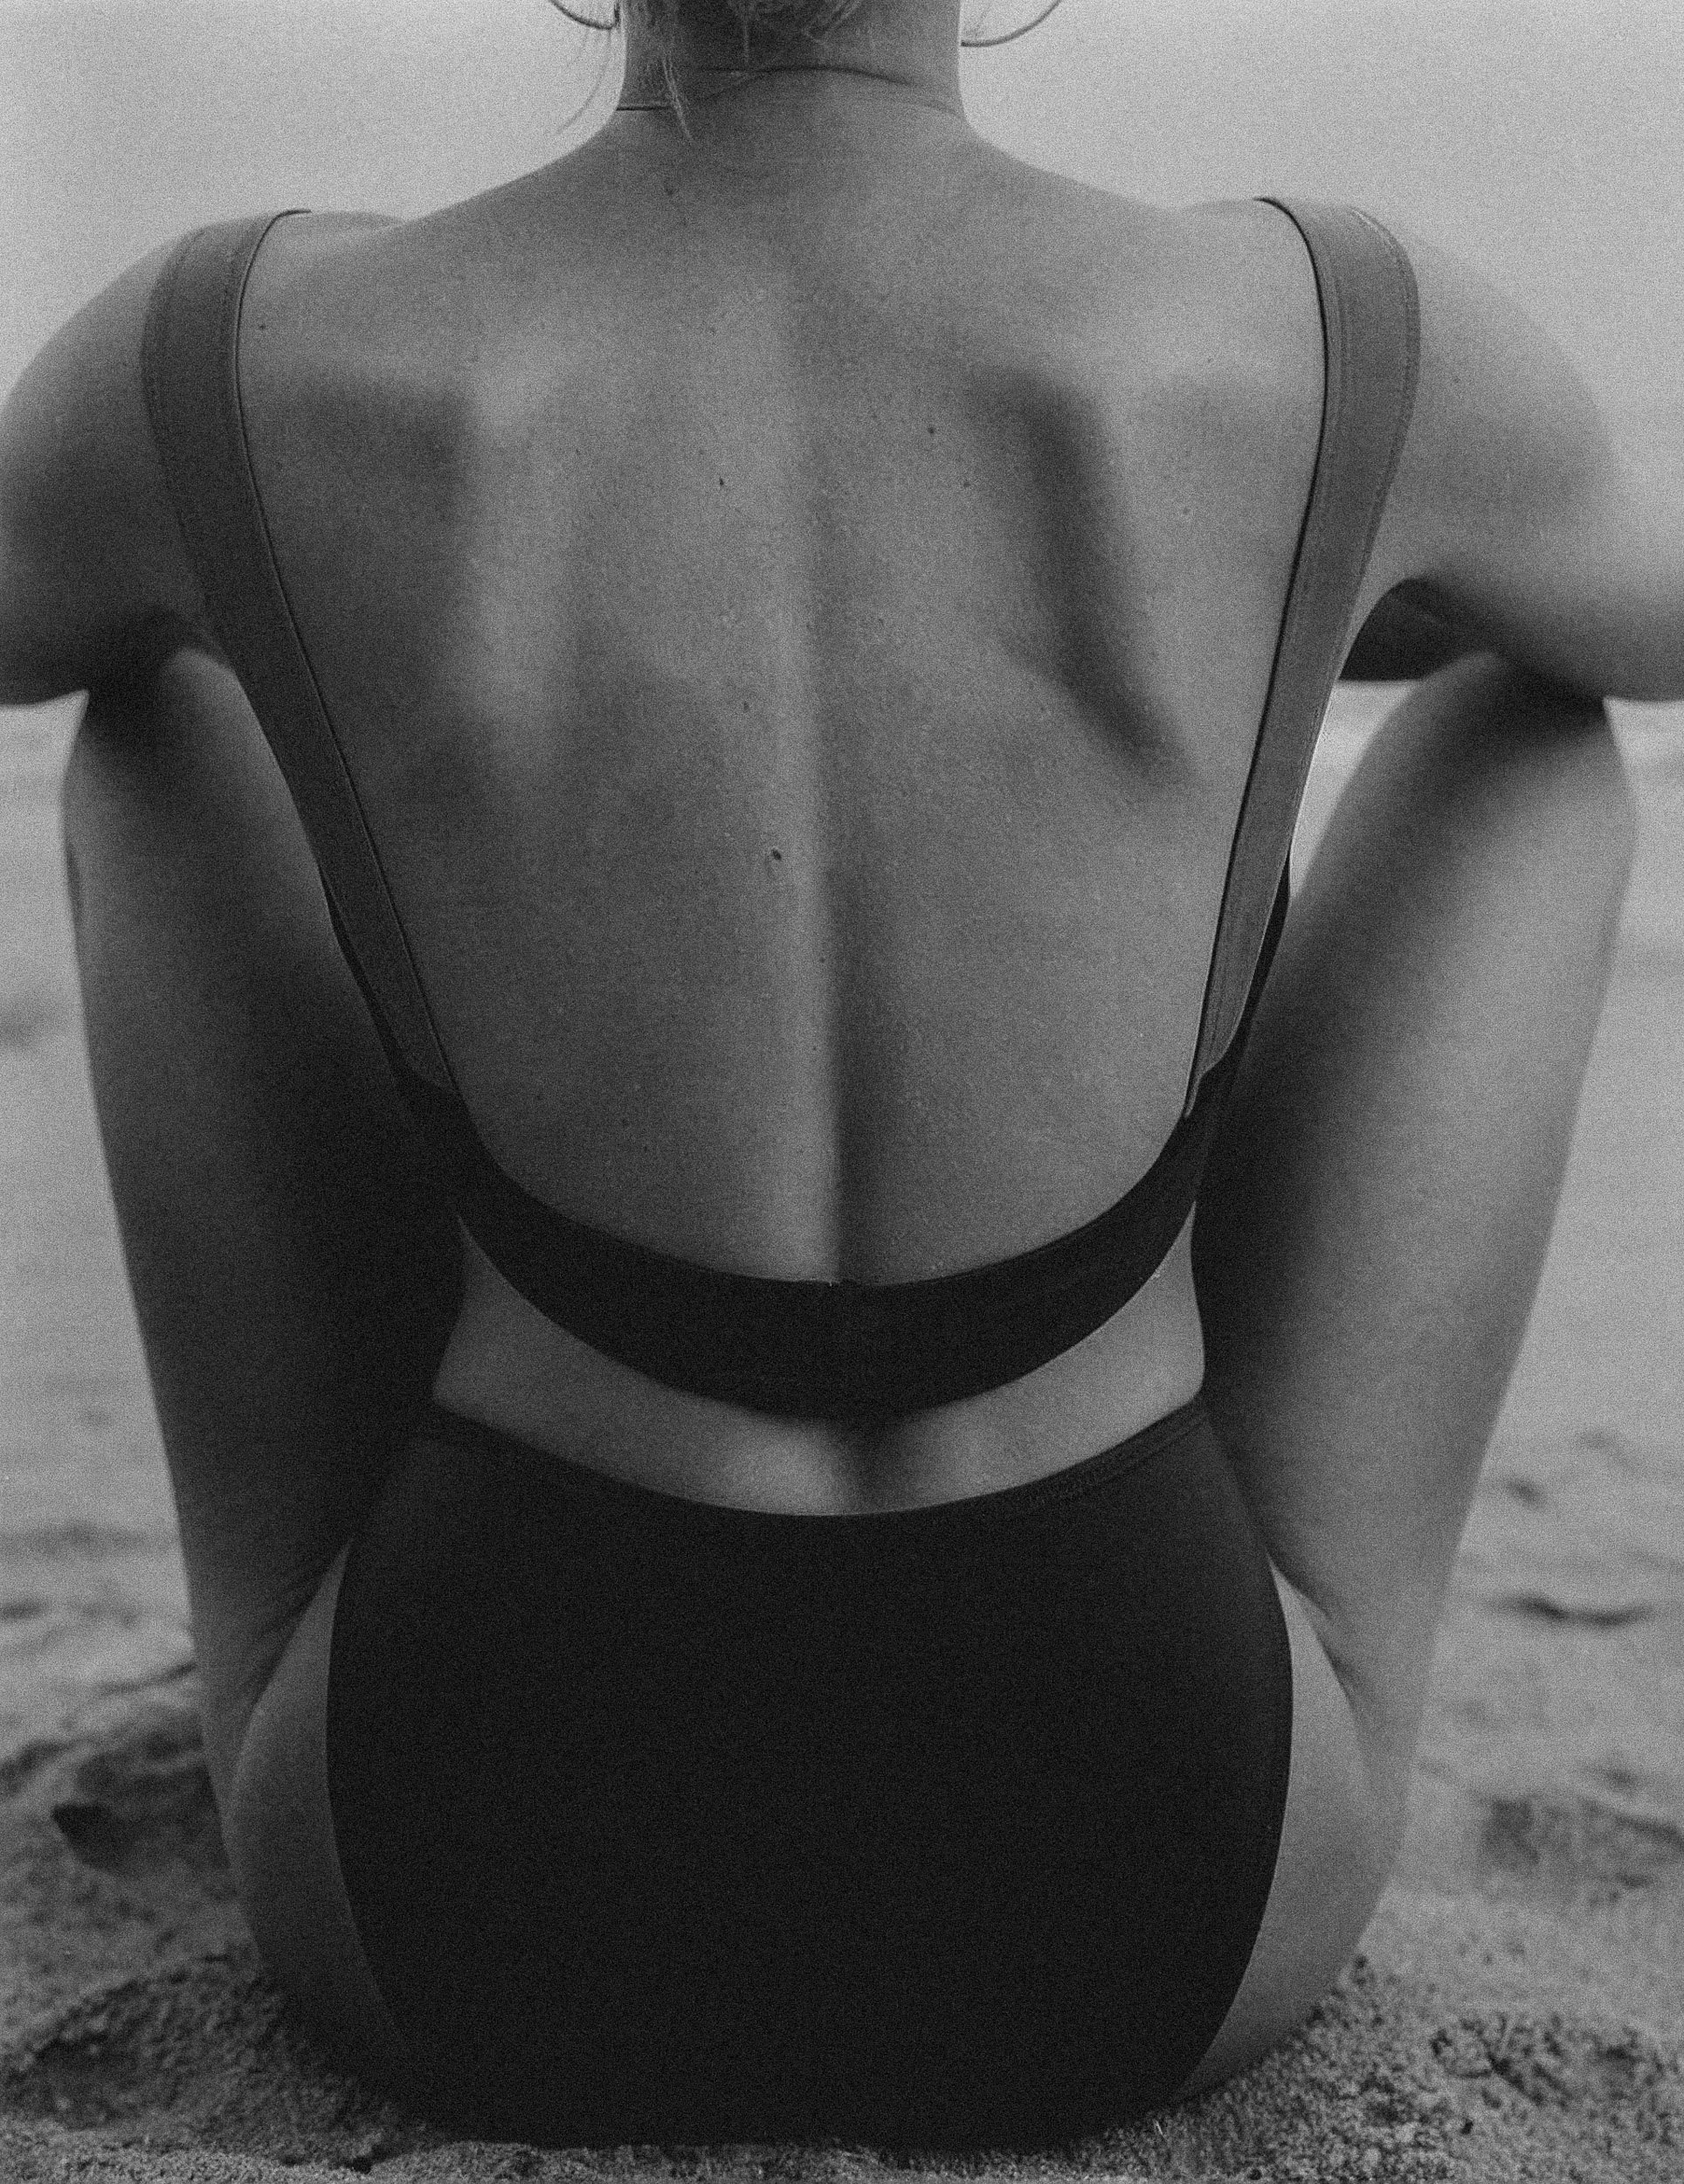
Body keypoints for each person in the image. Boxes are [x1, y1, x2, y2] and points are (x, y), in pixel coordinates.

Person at [1, 0, 1678, 2149]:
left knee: (161, 718)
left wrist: (363, 617)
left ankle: (305, 1626)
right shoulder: (1348, 337)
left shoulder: (227, 351)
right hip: (1150, 1887)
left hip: (463, 1879)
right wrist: (1309, 577)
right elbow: (1651, 615)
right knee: (1529, 733)